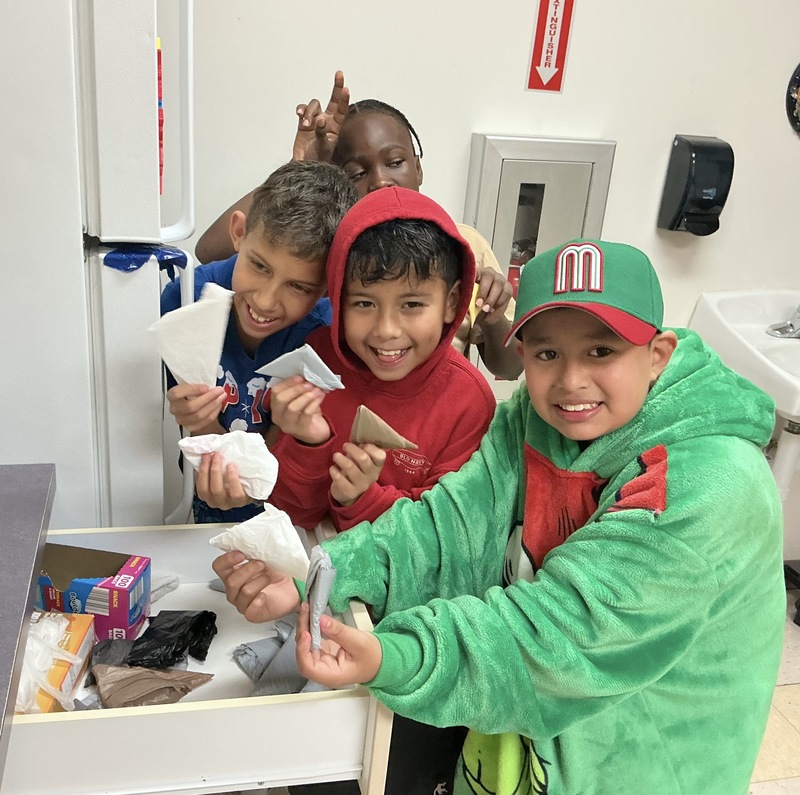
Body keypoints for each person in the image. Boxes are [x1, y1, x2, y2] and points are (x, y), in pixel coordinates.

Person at [217, 239, 786, 794]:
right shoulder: (536, 422)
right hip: (530, 747)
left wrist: (397, 655)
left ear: (656, 354)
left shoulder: (708, 483)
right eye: (546, 353)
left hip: (640, 760)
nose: (570, 381)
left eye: (601, 351)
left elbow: (566, 640)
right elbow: (447, 529)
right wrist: (314, 575)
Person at [207, 186, 496, 795]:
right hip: (318, 611)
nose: (386, 330)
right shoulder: (318, 367)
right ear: (337, 301)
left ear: (451, 304)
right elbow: (291, 514)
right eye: (363, 303)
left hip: (411, 637)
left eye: (412, 304)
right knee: (312, 761)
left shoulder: (468, 399)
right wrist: (309, 442)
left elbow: (451, 550)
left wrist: (366, 500)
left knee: (393, 765)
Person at [195, 71, 522, 381]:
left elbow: (509, 368)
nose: (381, 181)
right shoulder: (336, 248)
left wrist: (493, 320)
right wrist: (304, 167)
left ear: (418, 167)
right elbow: (210, 251)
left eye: (395, 162)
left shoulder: (464, 246)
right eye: (355, 172)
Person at [160, 159, 358, 524]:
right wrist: (201, 425)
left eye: (298, 286)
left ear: (329, 286)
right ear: (238, 232)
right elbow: (184, 432)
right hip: (198, 511)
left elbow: (297, 468)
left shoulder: (327, 336)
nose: (266, 301)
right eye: (259, 266)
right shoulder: (184, 302)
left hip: (287, 520)